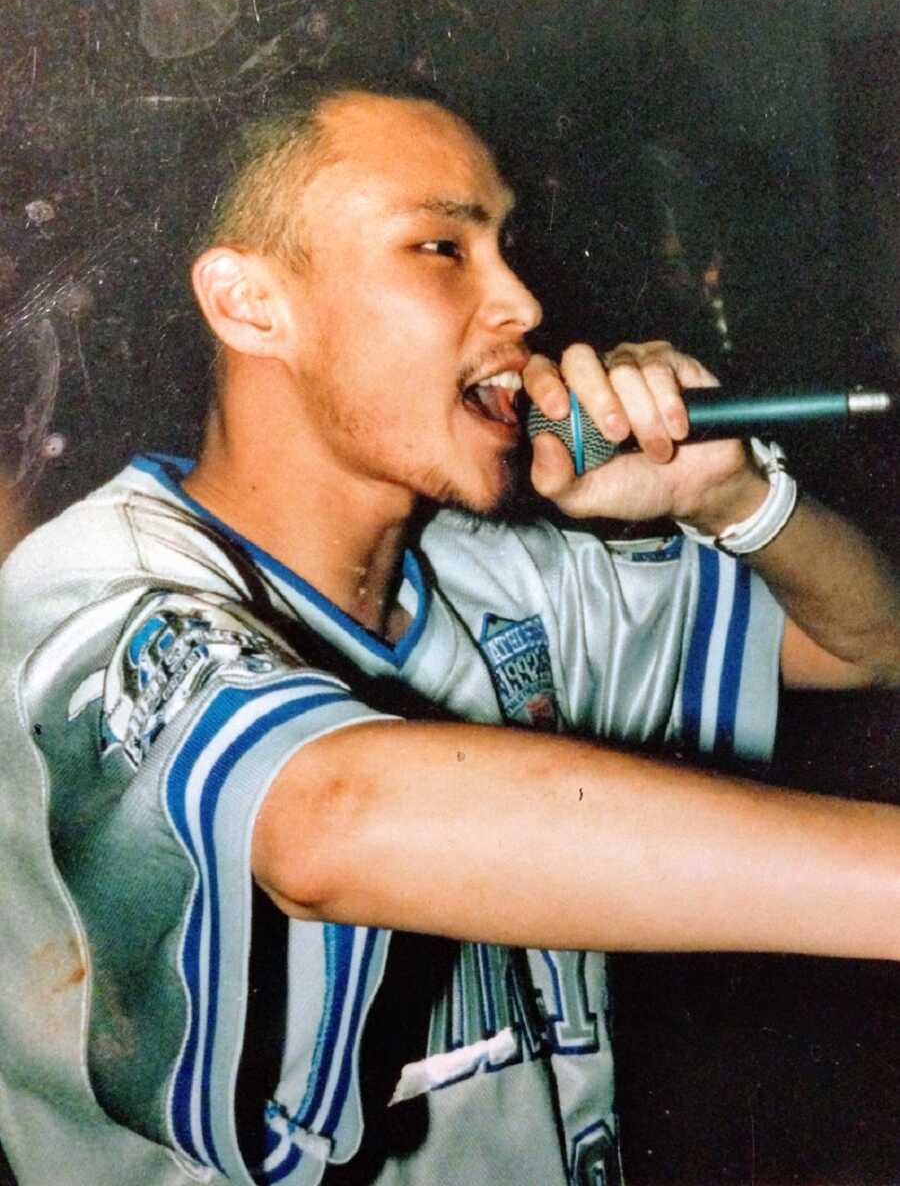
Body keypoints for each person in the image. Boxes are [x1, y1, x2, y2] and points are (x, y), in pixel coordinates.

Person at [0, 76, 897, 1186]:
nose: (521, 302)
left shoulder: (500, 580)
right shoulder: (89, 593)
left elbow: (864, 642)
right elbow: (329, 821)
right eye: (442, 247)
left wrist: (735, 502)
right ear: (249, 304)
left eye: (507, 247)